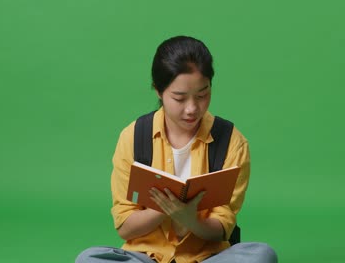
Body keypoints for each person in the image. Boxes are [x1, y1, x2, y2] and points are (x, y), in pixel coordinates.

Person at [76, 36, 278, 263]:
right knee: (89, 259)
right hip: (145, 256)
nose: (192, 108)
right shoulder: (133, 137)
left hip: (208, 256)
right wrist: (164, 209)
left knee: (261, 255)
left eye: (202, 95)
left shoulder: (232, 141)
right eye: (179, 98)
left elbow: (222, 228)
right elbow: (125, 227)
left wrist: (189, 219)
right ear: (158, 91)